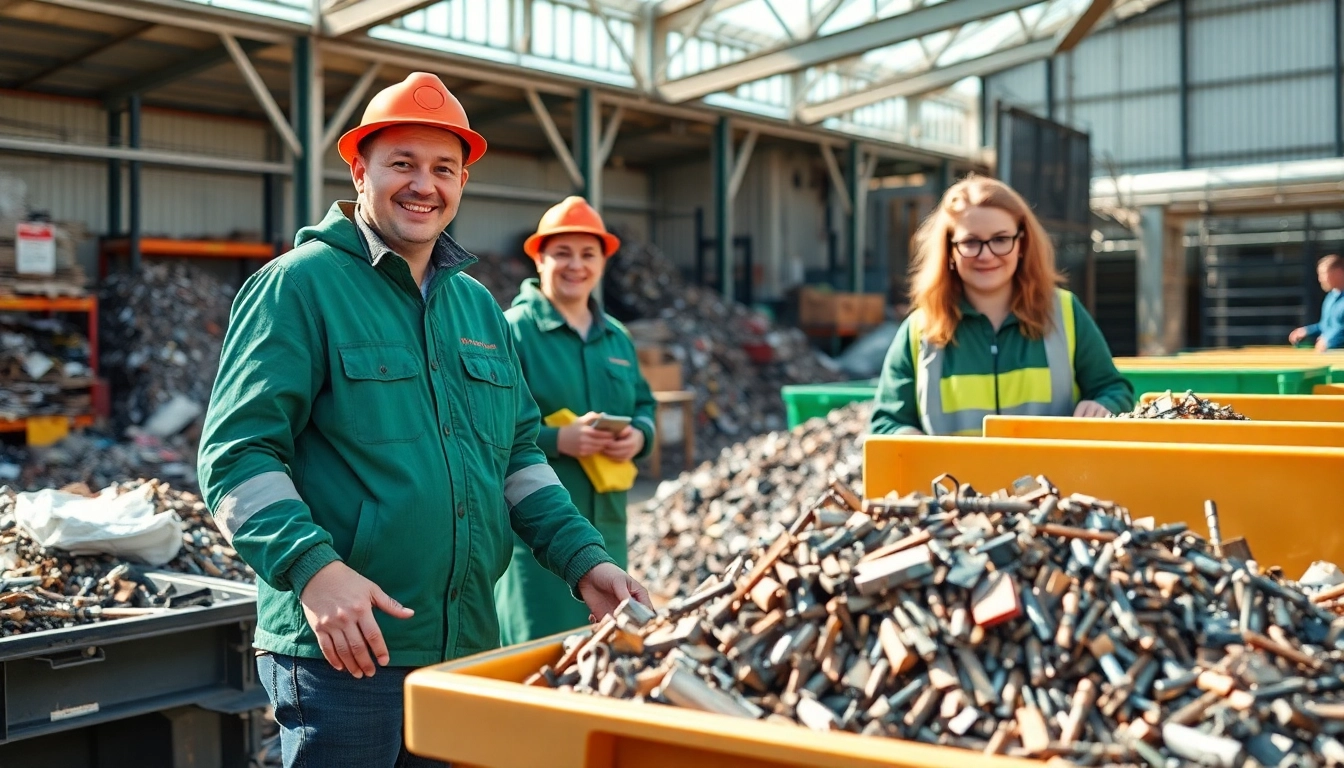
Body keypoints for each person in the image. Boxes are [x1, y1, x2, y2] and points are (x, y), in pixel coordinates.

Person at [197, 72, 649, 768]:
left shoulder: (474, 309)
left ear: (463, 182)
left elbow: (518, 458)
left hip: (464, 647)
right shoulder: (298, 286)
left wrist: (584, 559)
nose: (423, 185)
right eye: (401, 164)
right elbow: (237, 455)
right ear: (359, 170)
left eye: (444, 169)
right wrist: (315, 570)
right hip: (344, 653)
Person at [493, 196, 657, 644]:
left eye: (588, 254)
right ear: (539, 258)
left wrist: (639, 436)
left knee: (601, 655)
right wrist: (557, 439)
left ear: (602, 263)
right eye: (562, 252)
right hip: (537, 542)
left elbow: (645, 405)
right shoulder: (511, 330)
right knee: (539, 657)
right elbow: (485, 426)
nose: (575, 265)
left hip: (607, 528)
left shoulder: (617, 338)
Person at [869, 174, 1134, 436]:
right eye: (970, 242)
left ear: (1022, 243)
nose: (986, 255)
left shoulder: (1064, 312)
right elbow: (886, 421)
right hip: (953, 480)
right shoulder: (918, 330)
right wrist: (905, 437)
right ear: (949, 250)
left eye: (1000, 239)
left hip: (1052, 479)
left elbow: (1114, 389)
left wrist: (1102, 405)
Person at [1289, 254, 1344, 351]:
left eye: (1323, 274)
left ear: (1339, 272)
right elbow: (1326, 325)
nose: (1320, 279)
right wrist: (1306, 331)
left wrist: (1328, 340)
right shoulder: (1330, 297)